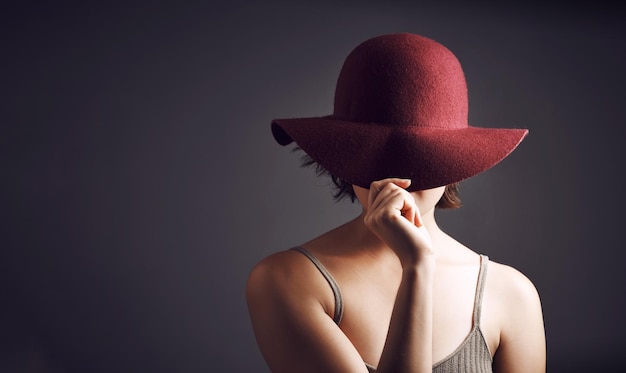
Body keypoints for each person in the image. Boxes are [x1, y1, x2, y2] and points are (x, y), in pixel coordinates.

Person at [246, 33, 546, 373]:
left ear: (457, 164)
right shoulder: (286, 279)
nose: (397, 179)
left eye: (421, 158)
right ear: (341, 157)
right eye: (373, 154)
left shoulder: (510, 294)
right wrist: (416, 268)